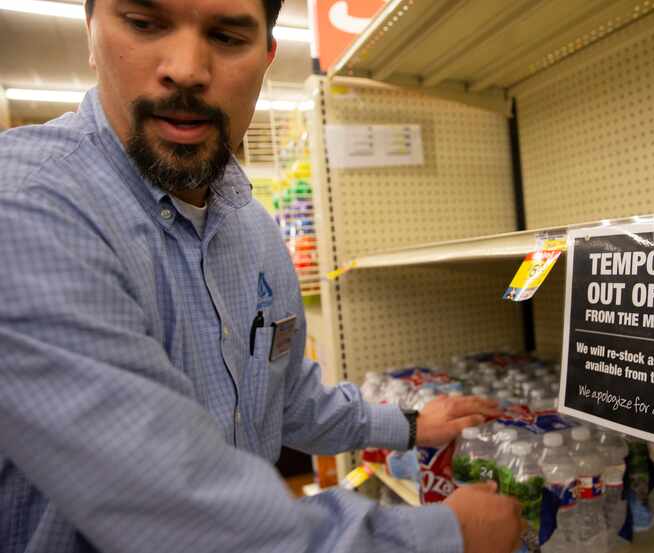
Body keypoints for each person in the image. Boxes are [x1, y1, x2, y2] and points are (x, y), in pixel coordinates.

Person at [0, 1, 524, 552]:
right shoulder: (28, 207)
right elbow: (183, 520)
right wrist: (445, 536)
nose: (186, 68)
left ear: (267, 56)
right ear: (91, 33)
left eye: (226, 36)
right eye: (145, 23)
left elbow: (286, 401)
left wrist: (413, 424)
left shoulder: (248, 226)